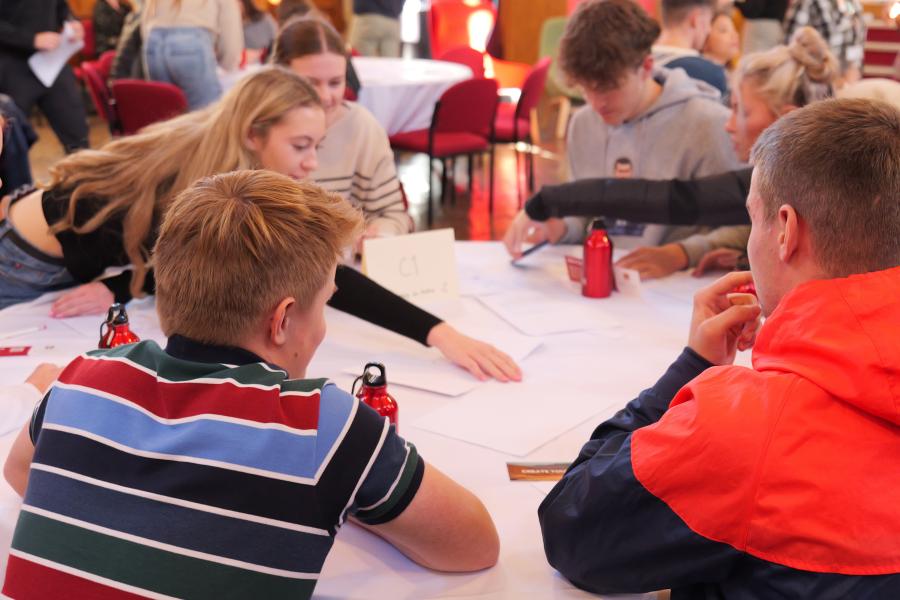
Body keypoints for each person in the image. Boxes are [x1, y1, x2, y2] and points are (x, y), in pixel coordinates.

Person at [2, 169, 500, 598]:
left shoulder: (82, 378)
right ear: (282, 320)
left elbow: (19, 471)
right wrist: (342, 489)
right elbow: (475, 545)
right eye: (325, 302)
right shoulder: (321, 426)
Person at [539, 97, 900, 596]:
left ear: (786, 233)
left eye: (754, 220)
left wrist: (690, 368)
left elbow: (571, 528)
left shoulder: (750, 428)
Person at [0, 67, 520, 382]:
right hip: (25, 257)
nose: (312, 162)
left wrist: (117, 283)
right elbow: (310, 270)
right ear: (253, 134)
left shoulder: (217, 151)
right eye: (301, 147)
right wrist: (438, 333)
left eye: (316, 145)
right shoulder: (203, 183)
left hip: (58, 237)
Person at [505, 27, 837, 281]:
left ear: (787, 120)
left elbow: (668, 199)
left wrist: (548, 199)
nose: (729, 124)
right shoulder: (784, 177)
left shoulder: (817, 193)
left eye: (741, 111)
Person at [504, 0, 739, 263]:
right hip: (602, 282)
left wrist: (682, 254)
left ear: (646, 67)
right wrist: (560, 228)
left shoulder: (708, 124)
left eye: (608, 88)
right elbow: (585, 218)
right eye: (586, 88)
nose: (596, 102)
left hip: (678, 290)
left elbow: (742, 226)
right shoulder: (584, 124)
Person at [273, 18, 412, 238]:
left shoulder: (362, 127)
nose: (325, 97)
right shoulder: (258, 128)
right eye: (310, 83)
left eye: (335, 82)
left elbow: (393, 214)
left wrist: (379, 234)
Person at [0, 0, 89, 154]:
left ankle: (84, 177)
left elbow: (61, 7)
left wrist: (72, 22)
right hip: (12, 67)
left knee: (78, 136)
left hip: (53, 62)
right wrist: (31, 39)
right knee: (10, 142)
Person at [141, 0, 244, 109]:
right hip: (190, 43)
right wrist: (229, 65)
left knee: (165, 113)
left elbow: (145, 21)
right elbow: (230, 32)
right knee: (205, 115)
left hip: (153, 44)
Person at [653, 0, 729, 96]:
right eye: (709, 21)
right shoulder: (709, 74)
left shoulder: (637, 61)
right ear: (696, 19)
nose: (709, 29)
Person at [783, 0, 865, 84]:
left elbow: (857, 42)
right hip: (813, 83)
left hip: (845, 83)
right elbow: (789, 48)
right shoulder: (807, 3)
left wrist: (850, 79)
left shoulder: (851, 4)